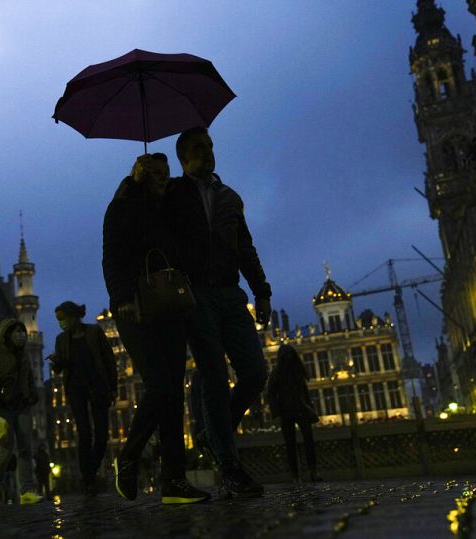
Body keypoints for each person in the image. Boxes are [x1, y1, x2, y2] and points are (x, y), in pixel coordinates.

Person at [165, 126, 271, 498]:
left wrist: (262, 292)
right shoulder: (174, 195)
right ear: (183, 158)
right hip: (195, 295)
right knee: (212, 376)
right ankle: (229, 468)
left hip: (230, 292)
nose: (207, 153)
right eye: (198, 148)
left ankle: (213, 434)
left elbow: (246, 248)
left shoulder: (230, 198)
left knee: (255, 372)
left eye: (209, 147)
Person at [103, 153, 210, 504]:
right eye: (157, 174)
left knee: (173, 394)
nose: (164, 179)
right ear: (141, 175)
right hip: (135, 307)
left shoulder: (171, 208)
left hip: (170, 306)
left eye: (166, 173)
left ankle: (173, 481)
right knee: (159, 385)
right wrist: (122, 298)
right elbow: (113, 257)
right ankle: (129, 455)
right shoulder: (121, 208)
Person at [51, 301, 117, 494]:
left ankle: (89, 470)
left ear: (73, 316)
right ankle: (88, 480)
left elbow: (108, 359)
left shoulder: (94, 332)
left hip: (97, 386)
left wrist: (112, 387)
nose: (61, 323)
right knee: (84, 434)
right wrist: (56, 362)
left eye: (62, 319)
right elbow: (60, 368)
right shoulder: (61, 339)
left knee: (102, 435)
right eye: (58, 320)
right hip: (75, 389)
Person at [0, 318, 44, 506]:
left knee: (26, 449)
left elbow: (30, 378)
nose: (21, 335)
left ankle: (26, 491)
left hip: (23, 406)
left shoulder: (24, 355)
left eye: (23, 332)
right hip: (4, 407)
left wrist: (33, 395)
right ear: (7, 334)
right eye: (17, 332)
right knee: (6, 450)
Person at [265, 344, 320, 482]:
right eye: (287, 355)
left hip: (296, 410)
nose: (289, 357)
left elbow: (303, 392)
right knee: (294, 443)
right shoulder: (283, 372)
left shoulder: (288, 371)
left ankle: (305, 473)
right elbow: (270, 394)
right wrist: (276, 411)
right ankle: (300, 474)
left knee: (305, 441)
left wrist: (276, 411)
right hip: (288, 412)